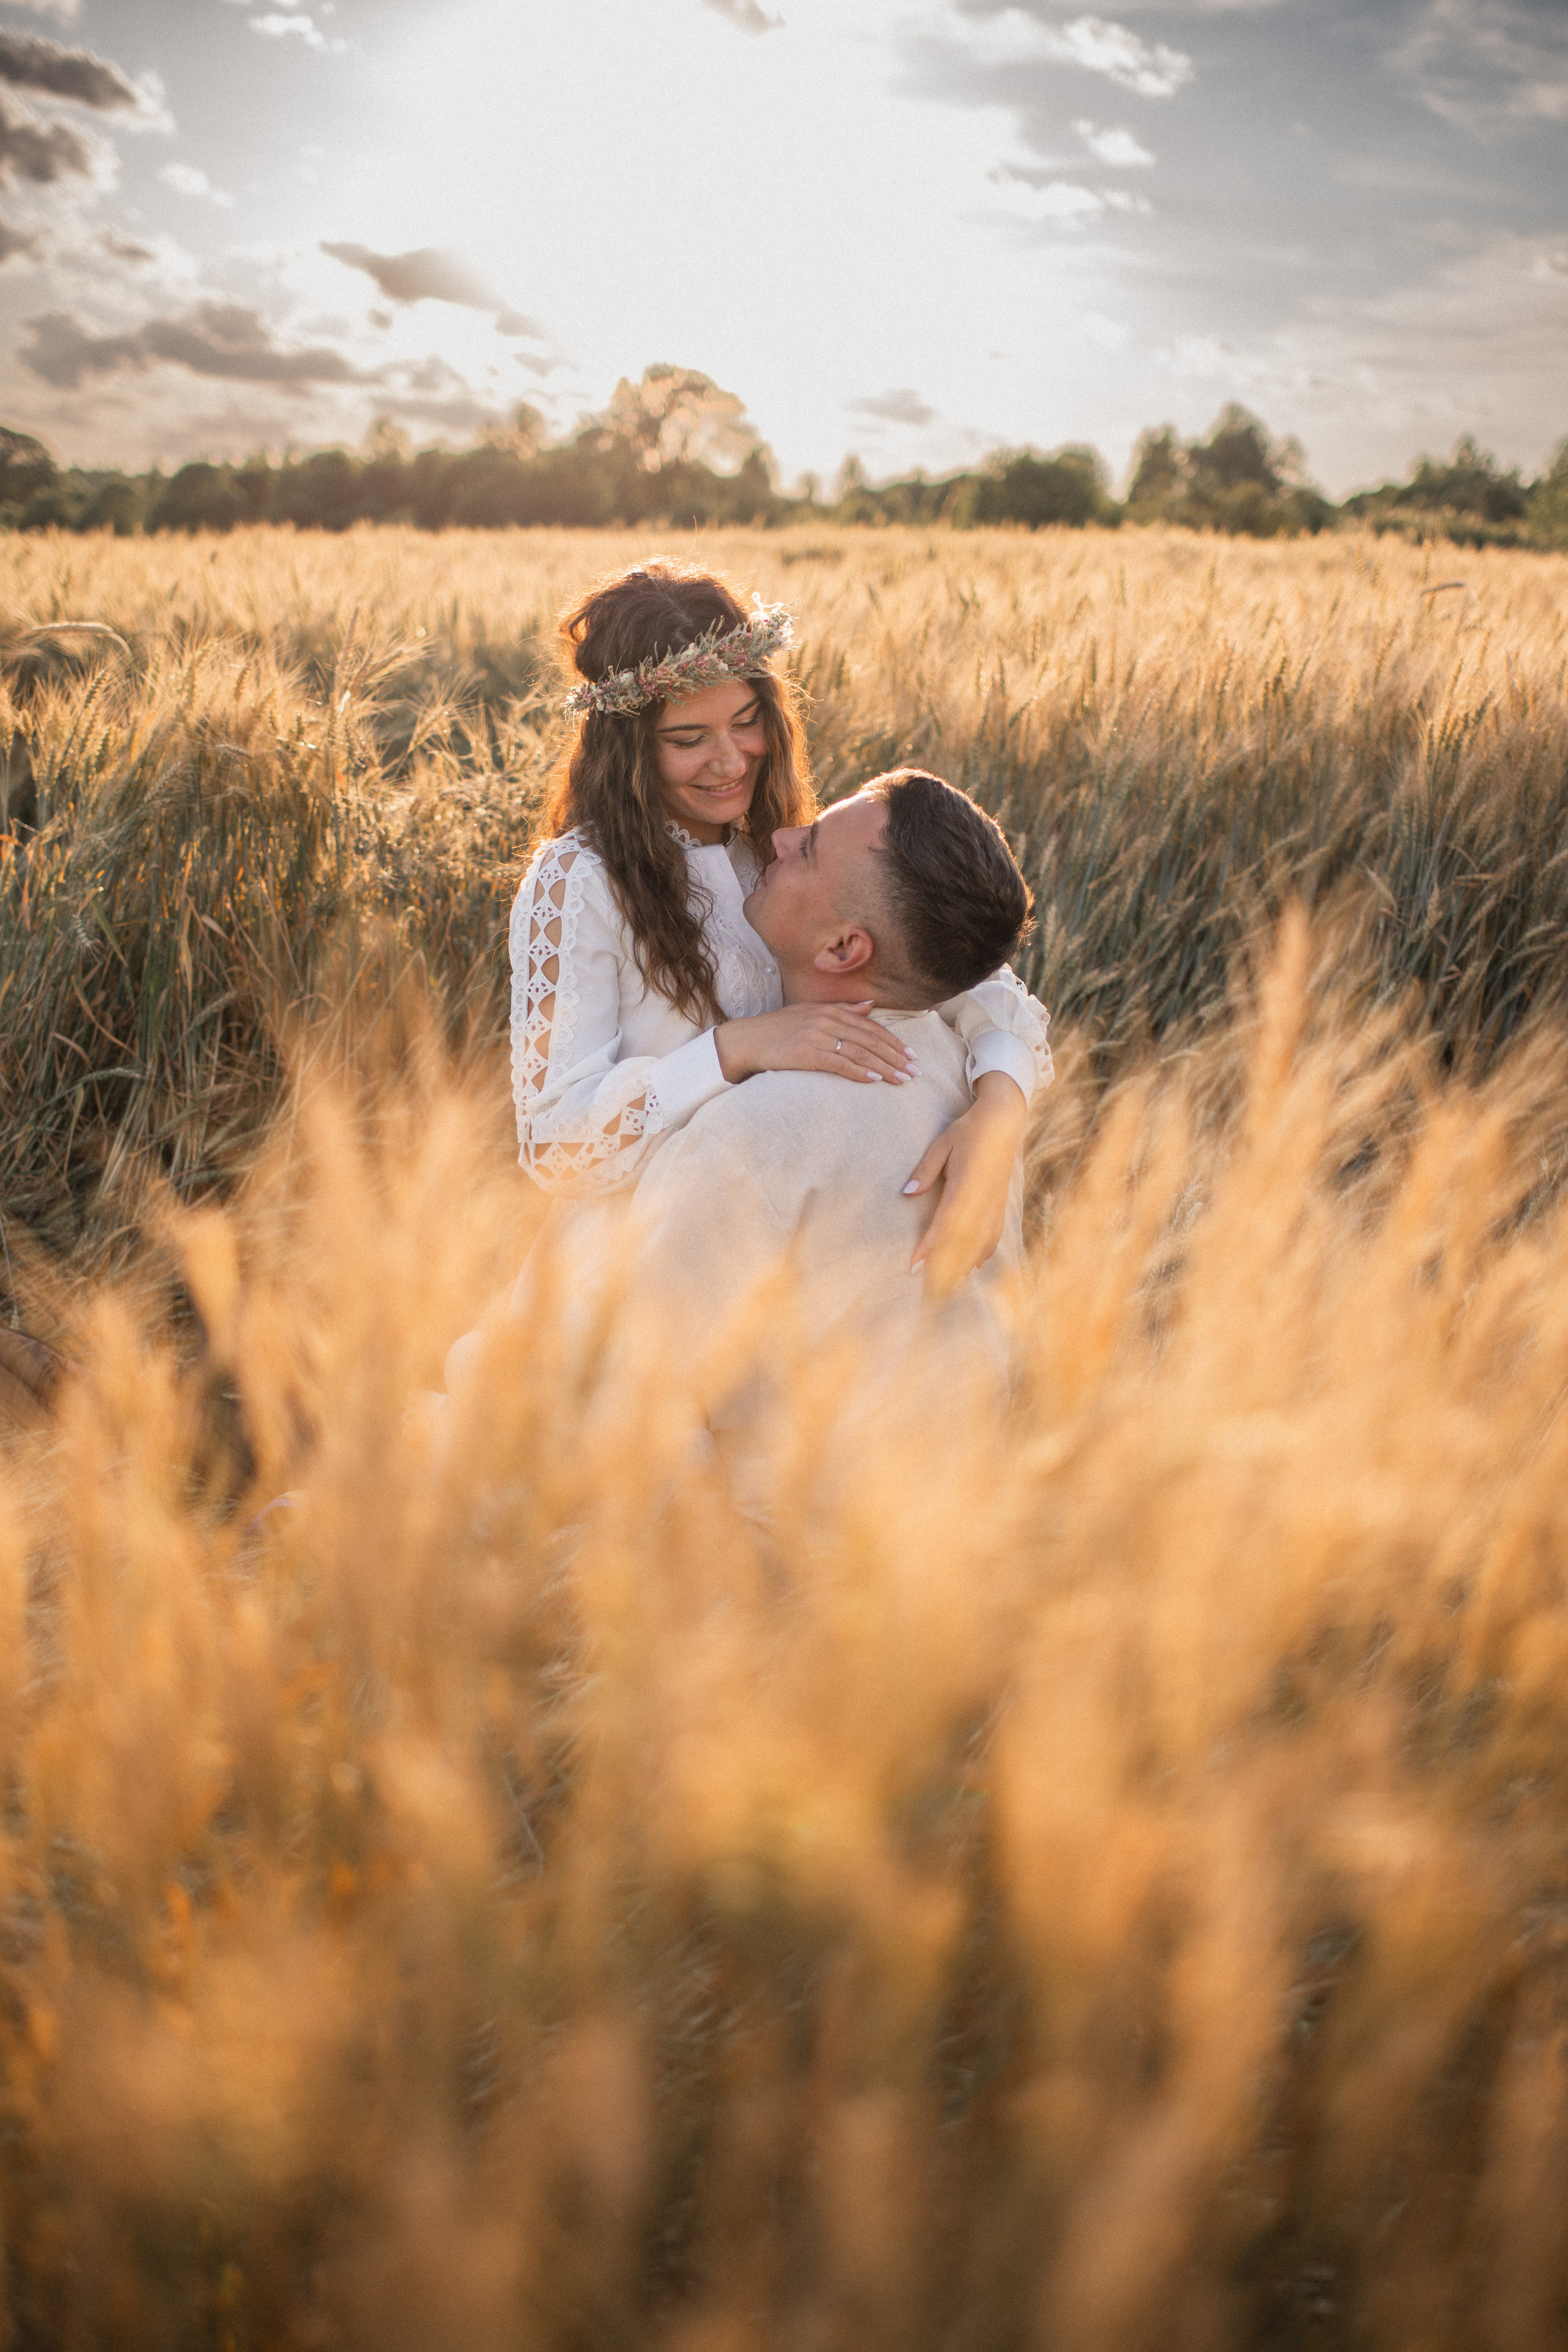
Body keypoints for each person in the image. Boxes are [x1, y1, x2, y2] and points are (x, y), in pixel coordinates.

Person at [510, 560, 1051, 1287]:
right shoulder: (581, 879)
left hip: (791, 1247)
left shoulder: (779, 840)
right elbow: (556, 1144)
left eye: (746, 722)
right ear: (627, 749)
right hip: (644, 1269)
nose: (730, 761)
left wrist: (997, 1117)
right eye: (687, 738)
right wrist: (735, 1049)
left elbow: (977, 980)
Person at [617, 769, 1033, 1504]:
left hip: (781, 1568)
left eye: (805, 850)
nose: (777, 837)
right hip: (955, 1543)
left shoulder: (752, 1133)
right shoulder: (975, 1094)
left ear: (845, 949)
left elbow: (631, 1395)